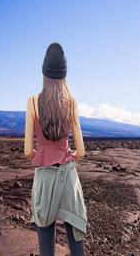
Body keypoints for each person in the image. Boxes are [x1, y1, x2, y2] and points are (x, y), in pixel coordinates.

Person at [24, 42, 87, 256]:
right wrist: (67, 155)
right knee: (76, 239)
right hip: (67, 176)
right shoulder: (71, 103)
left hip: (44, 178)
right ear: (64, 75)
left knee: (45, 241)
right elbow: (81, 152)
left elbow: (27, 151)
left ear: (44, 73)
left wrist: (42, 154)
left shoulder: (32, 102)